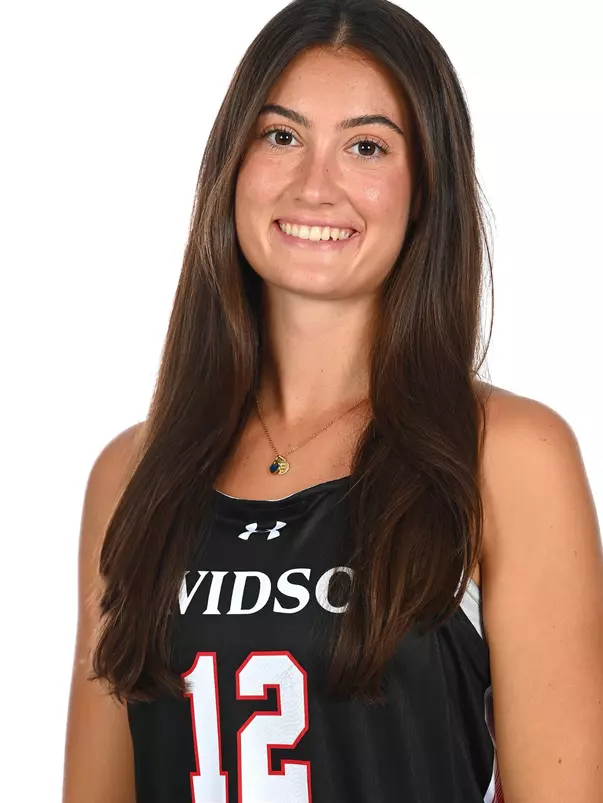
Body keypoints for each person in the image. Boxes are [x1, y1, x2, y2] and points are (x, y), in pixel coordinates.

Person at [62, 0, 603, 801]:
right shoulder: (133, 472)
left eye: (366, 147)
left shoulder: (506, 454)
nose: (315, 185)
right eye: (280, 137)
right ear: (231, 168)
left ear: (424, 189)